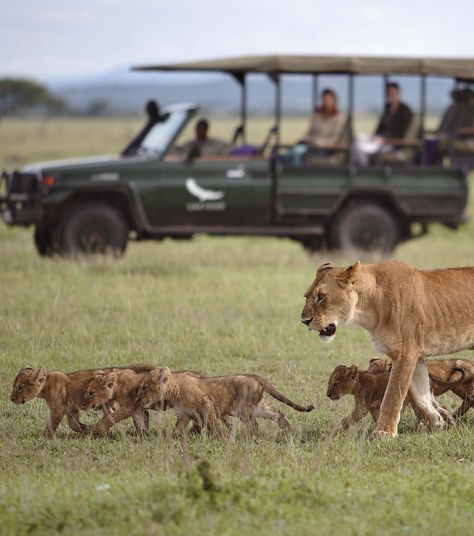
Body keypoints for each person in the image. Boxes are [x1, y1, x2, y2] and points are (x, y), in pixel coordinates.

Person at [353, 82, 414, 165]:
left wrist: (385, 140)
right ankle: (360, 166)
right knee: (358, 140)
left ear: (398, 93)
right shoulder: (387, 108)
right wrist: (374, 135)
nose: (391, 96)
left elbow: (401, 133)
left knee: (362, 149)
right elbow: (380, 126)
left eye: (393, 93)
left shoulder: (405, 111)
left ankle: (364, 168)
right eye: (389, 93)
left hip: (391, 143)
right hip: (379, 139)